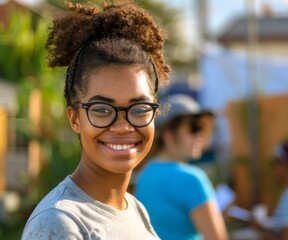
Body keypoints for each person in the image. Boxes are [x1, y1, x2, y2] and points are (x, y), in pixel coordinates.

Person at [22, 1, 170, 239]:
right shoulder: (60, 222)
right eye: (102, 109)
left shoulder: (134, 208)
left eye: (139, 108)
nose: (123, 126)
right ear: (75, 119)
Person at [135, 94, 228, 240]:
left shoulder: (145, 174)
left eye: (201, 129)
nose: (200, 135)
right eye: (193, 128)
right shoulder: (192, 178)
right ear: (169, 134)